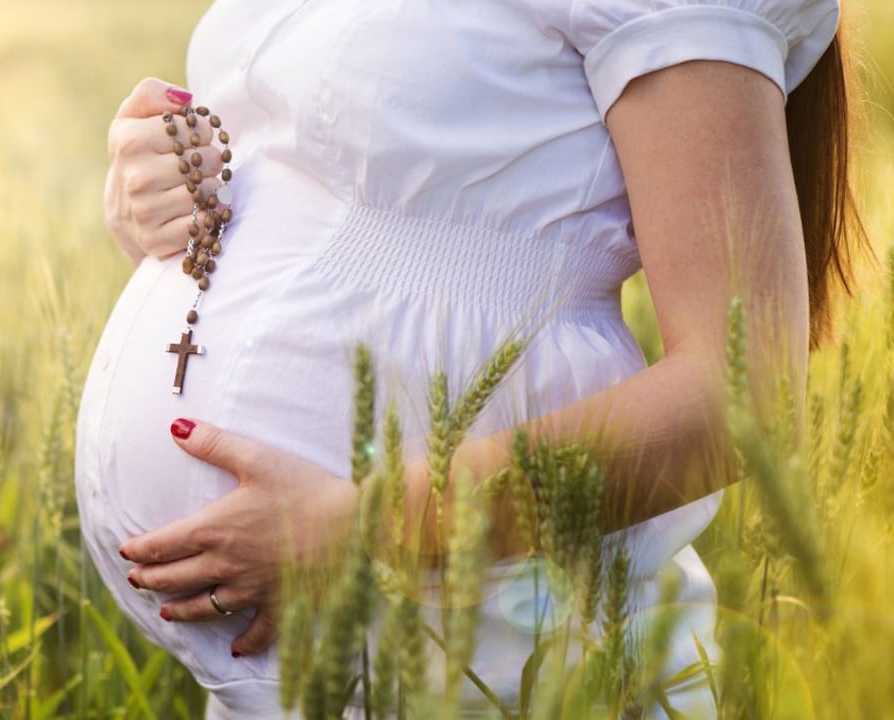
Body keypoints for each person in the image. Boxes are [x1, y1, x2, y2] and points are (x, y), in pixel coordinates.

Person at [76, 0, 866, 717]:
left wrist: (357, 530)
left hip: (500, 661)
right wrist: (152, 179)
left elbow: (738, 399)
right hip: (284, 685)